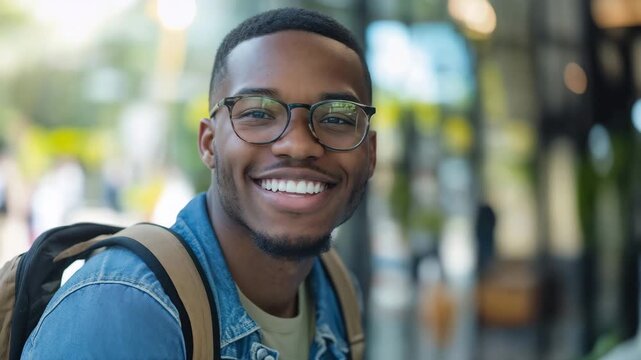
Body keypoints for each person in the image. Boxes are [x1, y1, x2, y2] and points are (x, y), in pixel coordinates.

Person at [21, 7, 376, 359]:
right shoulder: (125, 307)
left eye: (336, 118)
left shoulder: (336, 291)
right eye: (257, 113)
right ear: (209, 143)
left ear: (371, 154)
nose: (298, 145)